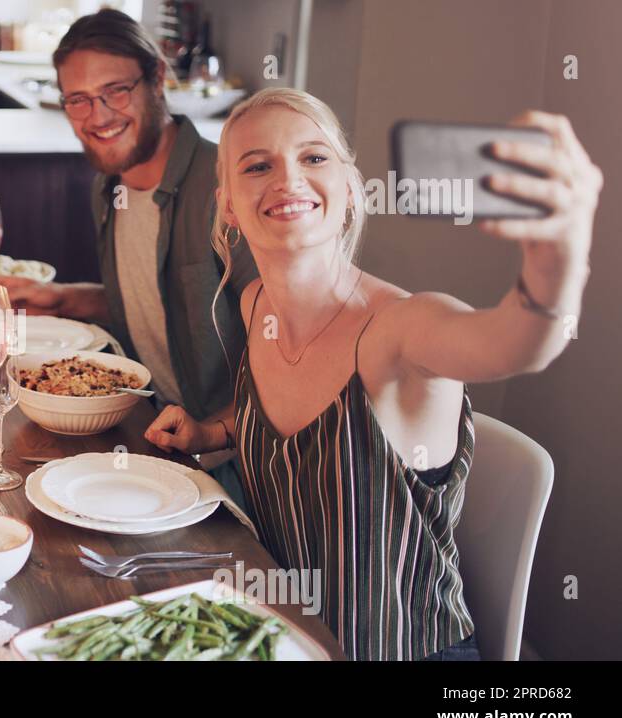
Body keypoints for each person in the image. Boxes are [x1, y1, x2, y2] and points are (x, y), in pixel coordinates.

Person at [143, 88, 600, 660]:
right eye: (258, 166)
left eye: (313, 157)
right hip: (284, 634)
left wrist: (559, 256)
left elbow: (520, 342)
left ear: (352, 188)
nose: (288, 178)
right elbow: (282, 421)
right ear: (228, 205)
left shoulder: (404, 330)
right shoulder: (254, 303)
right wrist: (212, 433)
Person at [0, 8, 256, 501]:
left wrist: (218, 432)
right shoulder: (109, 187)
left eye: (115, 92)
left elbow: (293, 348)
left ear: (157, 81)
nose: (98, 116)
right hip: (148, 436)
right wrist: (61, 299)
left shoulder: (226, 189)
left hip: (234, 470)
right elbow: (155, 305)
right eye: (78, 100)